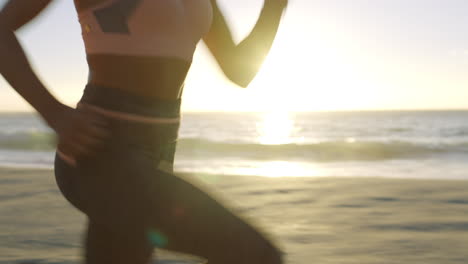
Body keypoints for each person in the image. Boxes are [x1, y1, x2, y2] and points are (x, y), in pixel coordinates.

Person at [0, 0, 288, 263]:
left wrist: (274, 7)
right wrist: (54, 113)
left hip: (158, 157)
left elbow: (239, 69)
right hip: (101, 153)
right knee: (254, 255)